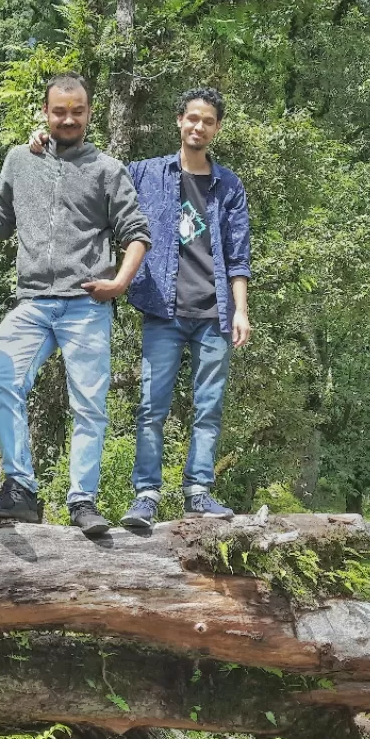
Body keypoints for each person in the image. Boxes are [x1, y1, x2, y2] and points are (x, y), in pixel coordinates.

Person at [0, 74, 151, 539]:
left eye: (77, 111)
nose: (67, 119)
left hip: (86, 304)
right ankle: (21, 491)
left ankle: (82, 501)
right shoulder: (19, 159)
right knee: (3, 382)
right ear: (45, 112)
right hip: (31, 302)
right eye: (59, 111)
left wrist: (119, 282)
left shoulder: (108, 169)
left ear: (89, 113)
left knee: (89, 407)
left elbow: (137, 233)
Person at [121, 88, 251, 526]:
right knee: (150, 406)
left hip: (213, 314)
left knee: (209, 407)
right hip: (163, 309)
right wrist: (45, 144)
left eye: (208, 121)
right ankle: (146, 496)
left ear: (216, 128)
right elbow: (96, 176)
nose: (198, 126)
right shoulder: (145, 173)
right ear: (179, 121)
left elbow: (237, 254)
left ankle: (198, 492)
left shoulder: (228, 185)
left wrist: (240, 310)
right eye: (192, 118)